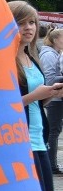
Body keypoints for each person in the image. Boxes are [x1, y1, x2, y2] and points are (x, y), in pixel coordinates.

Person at [10, 1, 60, 191]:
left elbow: (36, 103)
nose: (28, 27)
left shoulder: (31, 58)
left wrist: (51, 94)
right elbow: (0, 106)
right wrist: (35, 96)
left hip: (38, 140)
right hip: (18, 143)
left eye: (32, 22)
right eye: (20, 22)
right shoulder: (4, 62)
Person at [39, 26, 63, 174]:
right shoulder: (48, 55)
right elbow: (48, 79)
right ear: (55, 40)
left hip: (56, 97)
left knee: (55, 130)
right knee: (53, 131)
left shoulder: (56, 53)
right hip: (54, 98)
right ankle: (52, 165)